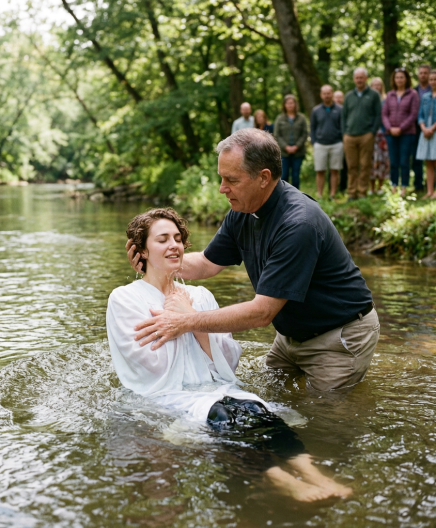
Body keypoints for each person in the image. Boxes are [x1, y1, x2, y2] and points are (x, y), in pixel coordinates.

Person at [110, 207, 351, 502]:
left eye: (177, 238)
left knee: (253, 407)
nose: (173, 245)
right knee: (221, 414)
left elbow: (229, 360)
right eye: (162, 240)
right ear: (142, 251)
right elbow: (148, 368)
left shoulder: (199, 296)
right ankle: (284, 481)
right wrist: (180, 322)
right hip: (168, 395)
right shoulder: (125, 298)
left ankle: (313, 473)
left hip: (217, 387)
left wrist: (190, 319)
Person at [127, 129, 380, 393]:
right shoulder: (244, 210)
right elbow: (206, 263)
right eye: (221, 178)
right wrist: (156, 261)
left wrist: (185, 321)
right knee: (268, 400)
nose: (222, 188)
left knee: (324, 421)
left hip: (338, 336)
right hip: (290, 337)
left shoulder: (299, 224)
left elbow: (262, 312)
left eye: (231, 180)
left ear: (263, 178)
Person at [342, 67, 382, 200]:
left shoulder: (374, 94)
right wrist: (344, 133)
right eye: (357, 78)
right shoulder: (348, 96)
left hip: (366, 135)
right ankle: (352, 193)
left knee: (365, 165)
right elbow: (344, 116)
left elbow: (378, 115)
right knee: (351, 166)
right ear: (354, 79)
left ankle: (362, 192)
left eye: (361, 77)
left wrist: (372, 132)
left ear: (366, 78)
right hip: (350, 136)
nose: (359, 80)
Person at [382, 68, 420, 197]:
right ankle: (394, 186)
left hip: (407, 133)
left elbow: (413, 114)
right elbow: (384, 114)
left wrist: (400, 128)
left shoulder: (413, 94)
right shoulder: (390, 95)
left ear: (406, 79)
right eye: (397, 77)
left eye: (401, 77)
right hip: (391, 134)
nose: (399, 80)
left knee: (404, 161)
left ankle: (404, 187)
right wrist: (390, 128)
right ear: (394, 79)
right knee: (393, 162)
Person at [310, 85, 343, 199]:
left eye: (328, 93)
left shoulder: (339, 109)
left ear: (332, 94)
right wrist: (314, 142)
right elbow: (312, 127)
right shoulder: (316, 110)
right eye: (324, 93)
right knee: (320, 171)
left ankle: (332, 194)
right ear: (321, 95)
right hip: (320, 144)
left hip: (336, 144)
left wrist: (341, 140)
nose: (327, 96)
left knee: (334, 171)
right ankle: (319, 195)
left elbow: (342, 126)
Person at [274, 95, 308, 190]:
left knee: (296, 176)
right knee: (283, 175)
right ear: (284, 105)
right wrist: (286, 147)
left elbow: (304, 134)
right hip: (284, 153)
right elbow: (276, 134)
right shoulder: (280, 118)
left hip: (298, 152)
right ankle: (283, 196)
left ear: (295, 104)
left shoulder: (301, 118)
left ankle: (296, 198)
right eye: (287, 103)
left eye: (292, 103)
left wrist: (296, 146)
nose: (290, 105)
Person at [416, 69, 436, 198]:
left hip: (434, 130)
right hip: (426, 132)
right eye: (431, 80)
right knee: (428, 162)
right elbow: (420, 116)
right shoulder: (425, 97)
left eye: (435, 79)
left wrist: (432, 129)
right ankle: (429, 191)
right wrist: (424, 128)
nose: (433, 82)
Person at [412, 65, 432, 192]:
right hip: (416, 127)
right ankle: (418, 185)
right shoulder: (413, 91)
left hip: (432, 127)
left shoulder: (433, 89)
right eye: (421, 73)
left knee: (432, 157)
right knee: (416, 157)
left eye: (425, 73)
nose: (423, 75)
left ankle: (432, 186)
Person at [369, 77, 390, 195]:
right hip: (370, 134)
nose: (376, 87)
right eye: (374, 85)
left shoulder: (386, 99)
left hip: (383, 134)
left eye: (378, 85)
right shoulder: (369, 99)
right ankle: (371, 188)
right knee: (372, 160)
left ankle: (380, 186)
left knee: (382, 160)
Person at [333, 90, 348, 192]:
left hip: (344, 141)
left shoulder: (345, 110)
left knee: (344, 166)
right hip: (333, 142)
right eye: (336, 97)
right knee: (333, 168)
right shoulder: (329, 110)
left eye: (340, 97)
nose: (338, 99)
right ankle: (332, 188)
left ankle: (343, 188)